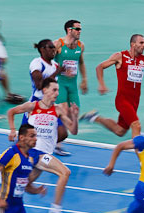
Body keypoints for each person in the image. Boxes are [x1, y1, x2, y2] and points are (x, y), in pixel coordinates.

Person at [8, 77, 78, 213]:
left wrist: (75, 118)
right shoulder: (32, 106)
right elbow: (11, 112)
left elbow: (73, 130)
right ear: (45, 90)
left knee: (23, 184)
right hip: (35, 153)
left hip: (45, 153)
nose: (57, 93)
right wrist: (13, 130)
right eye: (54, 90)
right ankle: (55, 212)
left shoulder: (58, 110)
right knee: (65, 172)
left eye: (58, 90)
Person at [80, 34, 144, 138]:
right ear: (133, 44)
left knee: (120, 131)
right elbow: (100, 67)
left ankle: (94, 117)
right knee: (136, 125)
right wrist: (101, 84)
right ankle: (139, 153)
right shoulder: (120, 56)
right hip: (122, 100)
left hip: (135, 102)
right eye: (141, 43)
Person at [53, 19, 88, 156]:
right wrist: (61, 71)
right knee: (63, 111)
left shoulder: (81, 45)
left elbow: (81, 62)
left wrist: (84, 80)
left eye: (80, 29)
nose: (80, 31)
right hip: (60, 83)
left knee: (74, 113)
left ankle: (53, 138)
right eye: (77, 29)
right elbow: (49, 63)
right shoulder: (58, 44)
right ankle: (57, 145)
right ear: (69, 30)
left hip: (72, 85)